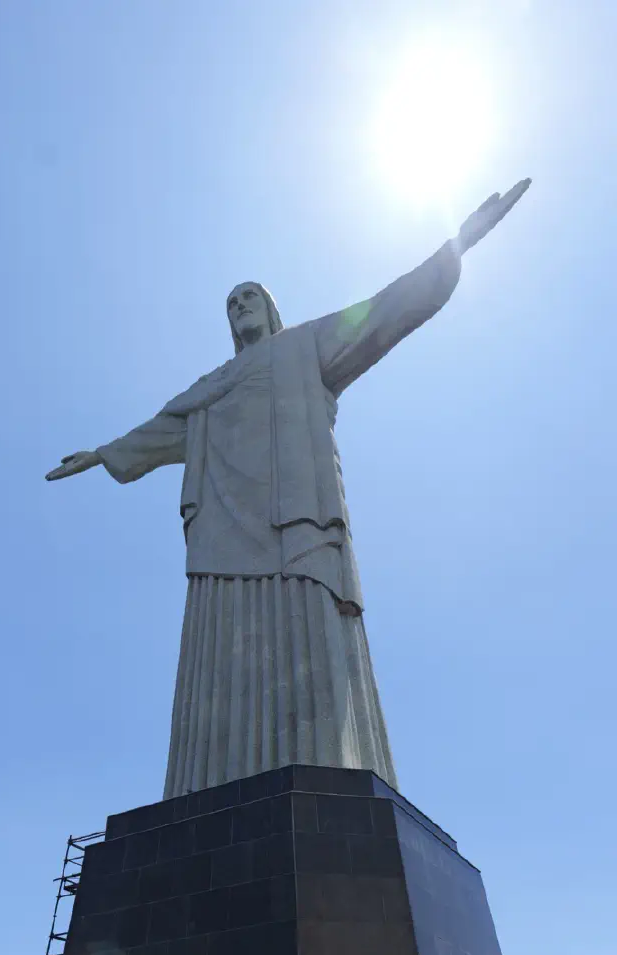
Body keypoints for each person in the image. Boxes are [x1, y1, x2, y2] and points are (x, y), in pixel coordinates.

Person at [46, 180, 531, 798]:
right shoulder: (212, 384)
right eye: (231, 302)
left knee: (310, 644)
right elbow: (161, 430)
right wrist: (101, 454)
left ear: (271, 309)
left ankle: (323, 775)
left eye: (250, 296)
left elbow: (387, 310)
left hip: (296, 525)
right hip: (223, 540)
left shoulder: (307, 346)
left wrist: (456, 247)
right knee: (219, 659)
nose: (240, 305)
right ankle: (209, 789)